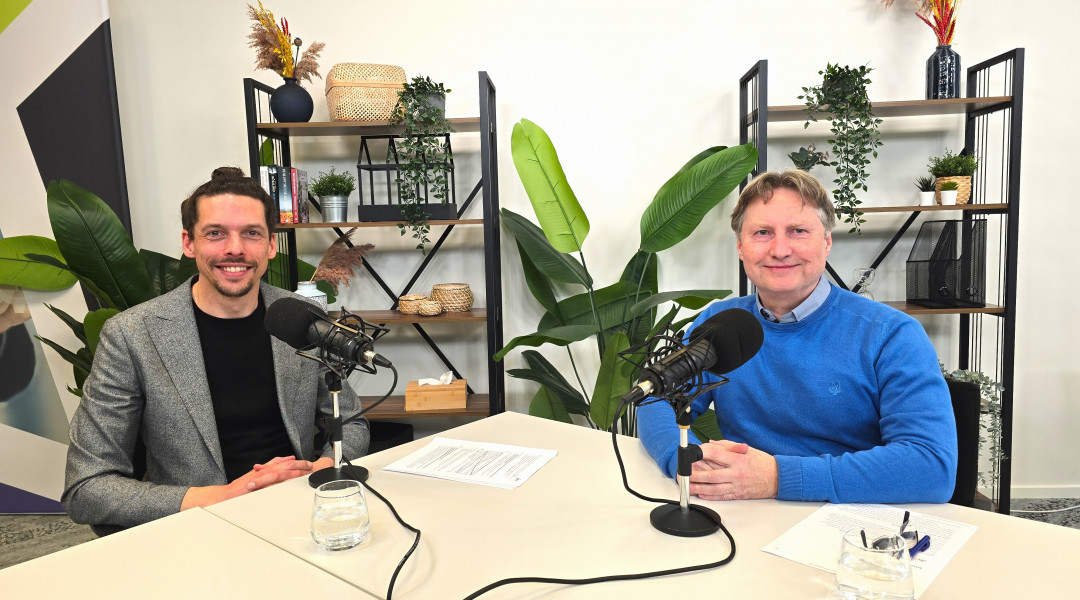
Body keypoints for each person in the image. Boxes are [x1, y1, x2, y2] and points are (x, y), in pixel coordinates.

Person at [62, 167, 369, 529]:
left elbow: (350, 421)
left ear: (271, 245)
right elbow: (87, 487)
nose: (235, 248)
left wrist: (322, 470)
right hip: (196, 526)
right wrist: (225, 496)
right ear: (189, 243)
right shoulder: (131, 335)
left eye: (251, 233)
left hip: (298, 510)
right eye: (215, 233)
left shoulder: (301, 316)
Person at [638, 169, 957, 504]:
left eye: (798, 231)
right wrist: (683, 459)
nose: (779, 250)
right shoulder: (721, 324)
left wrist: (778, 477)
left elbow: (931, 466)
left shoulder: (891, 335)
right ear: (741, 247)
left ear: (827, 241)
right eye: (762, 233)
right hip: (745, 511)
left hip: (848, 517)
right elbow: (654, 395)